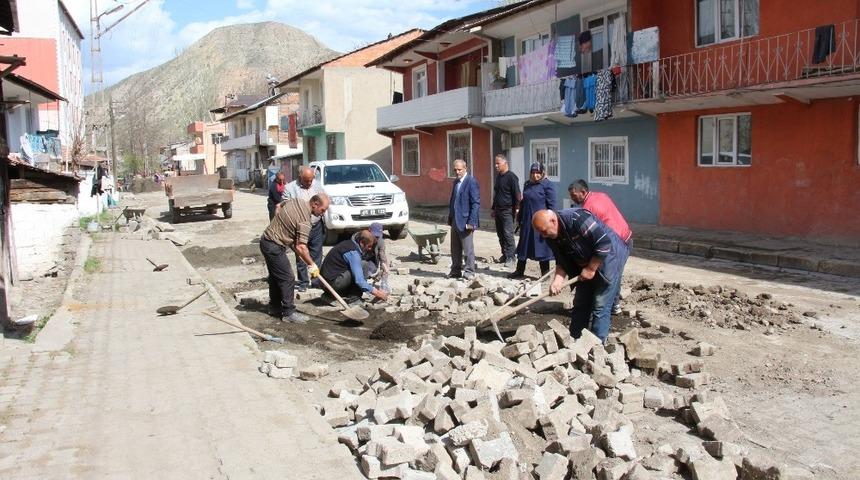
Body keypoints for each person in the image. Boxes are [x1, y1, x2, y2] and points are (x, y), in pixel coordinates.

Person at [532, 208, 629, 342]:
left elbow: (603, 243)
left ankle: (597, 346)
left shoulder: (577, 219)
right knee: (581, 303)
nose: (543, 235)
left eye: (543, 231)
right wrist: (557, 280)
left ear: (553, 221)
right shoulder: (550, 235)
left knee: (600, 305)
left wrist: (590, 268)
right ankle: (574, 340)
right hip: (586, 262)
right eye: (540, 232)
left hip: (610, 257)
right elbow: (561, 260)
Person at [259, 193, 330, 323]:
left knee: (276, 277)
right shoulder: (305, 221)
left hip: (266, 240)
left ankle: (274, 307)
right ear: (315, 204)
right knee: (288, 278)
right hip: (274, 246)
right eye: (322, 210)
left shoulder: (297, 201)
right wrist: (312, 265)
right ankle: (288, 313)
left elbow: (279, 206)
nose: (322, 213)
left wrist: (282, 224)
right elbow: (301, 247)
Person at [568, 179, 632, 314]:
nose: (572, 198)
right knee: (616, 274)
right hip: (627, 237)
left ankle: (603, 308)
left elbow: (591, 236)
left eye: (574, 195)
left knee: (608, 275)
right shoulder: (601, 195)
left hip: (616, 243)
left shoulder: (587, 209)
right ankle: (615, 306)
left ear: (583, 192)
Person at [510, 162, 556, 279]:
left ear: (542, 173)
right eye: (533, 172)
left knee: (542, 247)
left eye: (538, 173)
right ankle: (519, 271)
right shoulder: (528, 184)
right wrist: (519, 217)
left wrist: (550, 223)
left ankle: (545, 274)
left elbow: (552, 206)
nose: (535, 175)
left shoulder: (547, 185)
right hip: (527, 221)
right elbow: (524, 202)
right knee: (524, 246)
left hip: (541, 222)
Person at [285, 166, 325, 292]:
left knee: (317, 254)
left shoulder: (317, 186)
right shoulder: (290, 188)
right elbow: (285, 206)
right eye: (306, 180)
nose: (309, 183)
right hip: (300, 227)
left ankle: (315, 280)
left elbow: (324, 200)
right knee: (301, 255)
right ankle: (303, 281)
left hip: (316, 225)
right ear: (300, 177)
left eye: (311, 180)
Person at [320, 229, 389, 302]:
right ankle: (354, 299)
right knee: (364, 265)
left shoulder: (349, 243)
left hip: (327, 282)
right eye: (369, 246)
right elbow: (359, 281)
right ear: (362, 243)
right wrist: (378, 293)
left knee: (359, 266)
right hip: (331, 284)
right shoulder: (353, 253)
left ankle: (333, 295)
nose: (370, 249)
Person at [447, 159, 480, 280]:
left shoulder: (471, 182)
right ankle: (455, 270)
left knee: (468, 248)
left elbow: (475, 203)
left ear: (465, 168)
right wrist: (451, 217)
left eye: (459, 169)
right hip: (455, 219)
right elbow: (453, 201)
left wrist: (472, 222)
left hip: (466, 221)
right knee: (455, 248)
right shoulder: (456, 182)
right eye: (455, 169)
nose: (457, 172)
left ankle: (469, 271)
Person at [491, 154, 521, 269]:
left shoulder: (512, 177)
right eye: (495, 163)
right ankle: (504, 254)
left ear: (505, 163)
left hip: (507, 210)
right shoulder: (499, 177)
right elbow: (497, 194)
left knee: (508, 234)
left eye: (498, 163)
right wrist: (493, 208)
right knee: (500, 234)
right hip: (498, 210)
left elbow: (517, 194)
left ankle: (511, 257)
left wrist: (517, 208)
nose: (496, 166)